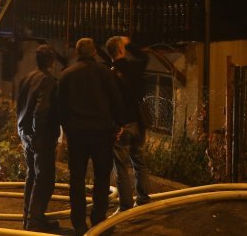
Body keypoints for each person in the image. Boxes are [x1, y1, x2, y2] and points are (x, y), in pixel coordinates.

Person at [58, 38, 124, 235]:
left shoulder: (66, 75)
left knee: (77, 178)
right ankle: (99, 220)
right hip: (101, 133)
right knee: (102, 178)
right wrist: (118, 125)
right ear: (94, 52)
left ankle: (78, 223)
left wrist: (67, 130)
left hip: (77, 134)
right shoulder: (105, 73)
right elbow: (116, 100)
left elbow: (60, 108)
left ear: (77, 53)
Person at [16, 44, 61, 232]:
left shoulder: (27, 78)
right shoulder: (48, 80)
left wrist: (25, 132)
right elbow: (41, 111)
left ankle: (29, 217)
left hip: (25, 133)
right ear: (51, 61)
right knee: (45, 178)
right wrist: (38, 135)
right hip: (40, 137)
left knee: (32, 175)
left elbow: (20, 106)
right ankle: (35, 220)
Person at [106, 35, 151, 211]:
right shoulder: (135, 67)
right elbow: (145, 57)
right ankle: (143, 200)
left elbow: (110, 102)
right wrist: (130, 43)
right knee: (139, 161)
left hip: (122, 126)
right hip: (139, 122)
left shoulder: (109, 74)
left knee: (121, 166)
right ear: (121, 50)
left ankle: (125, 206)